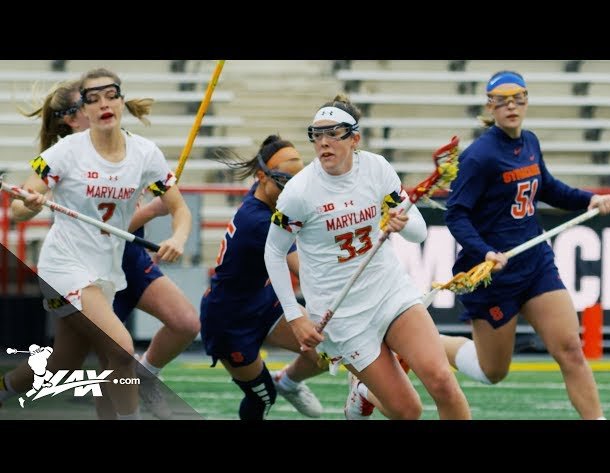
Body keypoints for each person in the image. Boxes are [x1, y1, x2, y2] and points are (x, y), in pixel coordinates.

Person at [263, 95, 471, 420]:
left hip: (389, 292)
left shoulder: (376, 168)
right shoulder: (299, 192)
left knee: (443, 381)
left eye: (333, 133)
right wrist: (295, 316)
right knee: (408, 411)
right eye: (317, 135)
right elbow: (274, 251)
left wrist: (402, 222)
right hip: (343, 315)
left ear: (354, 139)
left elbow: (418, 232)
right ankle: (362, 392)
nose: (324, 142)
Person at [6, 68, 192, 420]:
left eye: (111, 96)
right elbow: (18, 208)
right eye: (93, 99)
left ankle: (4, 389)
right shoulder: (64, 153)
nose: (103, 104)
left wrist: (178, 237)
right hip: (64, 266)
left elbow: (180, 209)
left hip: (108, 270)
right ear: (85, 110)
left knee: (66, 362)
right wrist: (28, 205)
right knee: (121, 350)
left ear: (121, 100)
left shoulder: (146, 153)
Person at [439, 70, 610, 420]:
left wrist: (589, 199)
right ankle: (422, 344)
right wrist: (485, 251)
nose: (511, 106)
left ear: (526, 101)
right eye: (502, 100)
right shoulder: (479, 156)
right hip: (494, 276)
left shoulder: (530, 142)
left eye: (518, 98)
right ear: (490, 106)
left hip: (535, 264)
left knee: (570, 349)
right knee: (492, 371)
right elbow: (456, 214)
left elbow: (547, 187)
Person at [200, 135, 325, 420]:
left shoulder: (262, 193)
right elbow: (304, 271)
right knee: (262, 397)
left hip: (263, 299)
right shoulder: (258, 222)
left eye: (297, 184)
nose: (292, 192)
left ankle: (288, 382)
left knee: (327, 351)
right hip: (230, 319)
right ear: (262, 176)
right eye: (284, 183)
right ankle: (276, 387)